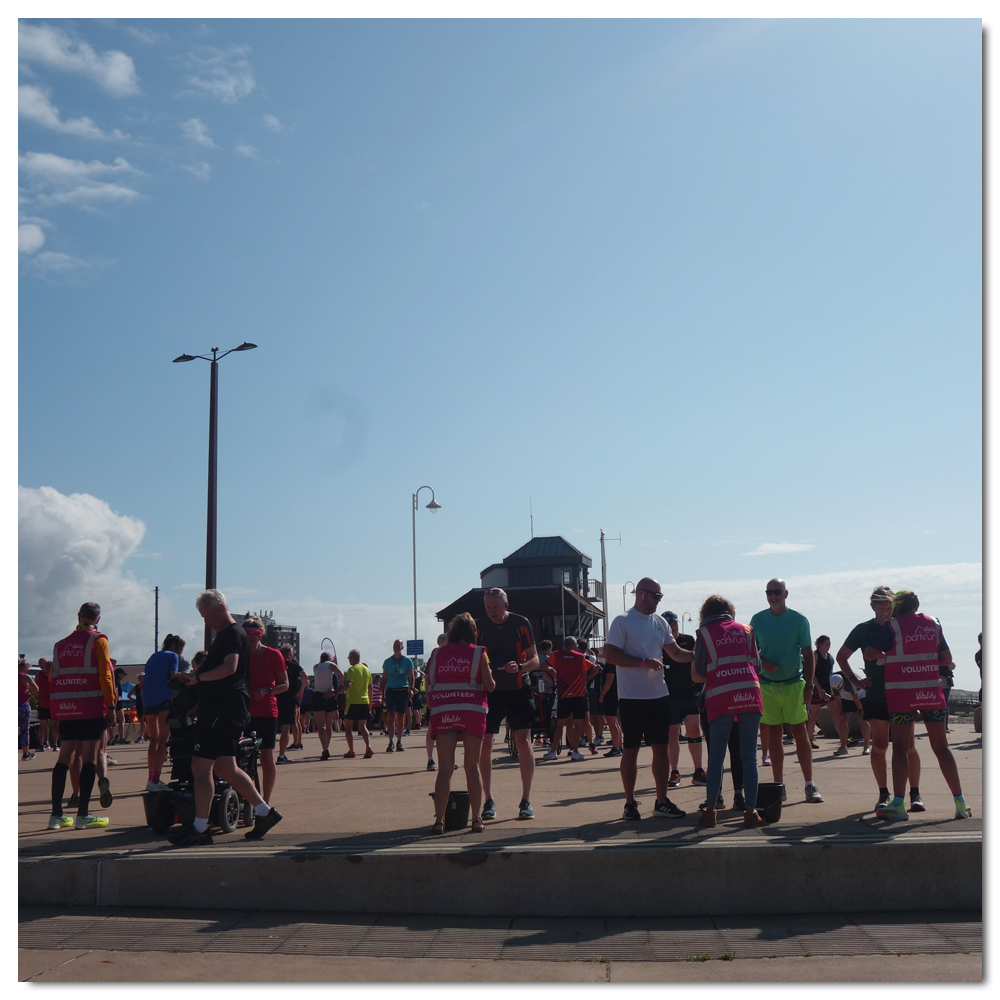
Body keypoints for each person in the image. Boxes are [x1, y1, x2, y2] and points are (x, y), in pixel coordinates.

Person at [168, 590, 282, 845]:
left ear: (220, 609)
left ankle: (199, 828)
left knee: (200, 766)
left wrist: (197, 678)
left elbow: (229, 668)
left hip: (223, 711)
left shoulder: (231, 634)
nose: (205, 621)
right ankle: (264, 812)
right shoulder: (228, 635)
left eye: (207, 616)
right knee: (225, 766)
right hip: (227, 709)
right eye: (202, 617)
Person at [863, 589, 970, 820]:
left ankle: (899, 805)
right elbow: (946, 659)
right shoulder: (934, 624)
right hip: (931, 692)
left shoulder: (894, 627)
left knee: (900, 748)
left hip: (902, 693)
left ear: (897, 606)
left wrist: (889, 657)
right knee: (942, 748)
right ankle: (960, 803)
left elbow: (870, 654)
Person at [604, 577, 695, 820]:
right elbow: (610, 654)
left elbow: (675, 653)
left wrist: (697, 655)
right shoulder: (623, 621)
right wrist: (642, 662)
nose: (658, 600)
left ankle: (662, 801)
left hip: (659, 695)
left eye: (660, 596)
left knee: (661, 749)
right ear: (641, 594)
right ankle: (630, 803)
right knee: (631, 750)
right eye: (656, 596)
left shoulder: (661, 623)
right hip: (632, 697)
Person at [836, 586, 922, 812]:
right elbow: (842, 656)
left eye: (889, 607)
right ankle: (884, 793)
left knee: (909, 746)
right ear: (872, 606)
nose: (885, 611)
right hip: (876, 694)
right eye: (881, 607)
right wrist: (854, 679)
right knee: (880, 745)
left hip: (902, 692)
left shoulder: (901, 627)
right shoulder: (864, 629)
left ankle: (914, 793)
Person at [692, 595, 766, 829]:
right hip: (749, 694)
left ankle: (710, 811)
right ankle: (751, 812)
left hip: (721, 696)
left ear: (705, 613)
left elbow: (699, 673)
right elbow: (758, 665)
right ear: (730, 611)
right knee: (749, 757)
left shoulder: (704, 634)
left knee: (716, 756)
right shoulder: (747, 630)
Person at [750, 579, 823, 804]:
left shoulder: (799, 620)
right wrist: (763, 663)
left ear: (785, 594)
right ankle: (778, 785)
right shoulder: (757, 620)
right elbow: (751, 653)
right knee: (773, 735)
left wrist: (809, 685)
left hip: (793, 684)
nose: (773, 596)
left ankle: (809, 784)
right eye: (769, 592)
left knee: (800, 732)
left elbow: (808, 654)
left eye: (777, 592)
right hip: (768, 685)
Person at [47, 602, 116, 830]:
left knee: (64, 758)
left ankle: (56, 815)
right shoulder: (98, 641)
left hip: (67, 708)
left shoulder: (60, 645)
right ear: (98, 619)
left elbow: (52, 678)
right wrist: (111, 705)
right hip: (91, 707)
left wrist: (56, 710)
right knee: (89, 758)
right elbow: (105, 675)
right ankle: (83, 815)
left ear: (78, 616)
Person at [427, 612, 497, 834]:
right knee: (472, 767)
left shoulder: (437, 654)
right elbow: (490, 685)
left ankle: (439, 821)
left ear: (452, 633)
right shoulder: (479, 653)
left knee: (445, 769)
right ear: (473, 634)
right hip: (472, 712)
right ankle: (476, 819)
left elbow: (429, 686)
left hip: (444, 711)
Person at [475, 589, 540, 822]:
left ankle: (526, 799)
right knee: (486, 744)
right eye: (488, 607)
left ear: (506, 605)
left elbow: (535, 659)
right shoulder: (479, 627)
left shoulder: (520, 623)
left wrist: (521, 666)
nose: (492, 612)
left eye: (496, 607)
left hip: (518, 689)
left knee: (523, 742)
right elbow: (472, 660)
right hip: (490, 692)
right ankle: (488, 799)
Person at [244, 616, 289, 803]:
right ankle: (247, 799)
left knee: (267, 758)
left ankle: (265, 801)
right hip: (244, 712)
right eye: (246, 639)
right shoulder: (240, 656)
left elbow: (284, 684)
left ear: (260, 636)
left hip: (267, 711)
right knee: (242, 758)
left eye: (253, 640)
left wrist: (268, 690)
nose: (250, 643)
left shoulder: (273, 655)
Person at [662, 611, 706, 788]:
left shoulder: (688, 640)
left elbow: (698, 659)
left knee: (694, 731)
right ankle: (674, 771)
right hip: (669, 695)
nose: (673, 629)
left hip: (690, 693)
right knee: (672, 734)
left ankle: (698, 771)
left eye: (674, 625)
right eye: (669, 626)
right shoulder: (661, 643)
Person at [541, 637, 593, 761]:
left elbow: (543, 667)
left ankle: (553, 750)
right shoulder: (580, 657)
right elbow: (584, 675)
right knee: (577, 723)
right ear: (575, 646)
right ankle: (575, 750)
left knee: (560, 724)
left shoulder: (556, 655)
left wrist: (551, 670)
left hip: (563, 693)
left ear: (564, 645)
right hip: (578, 693)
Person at [142, 635, 181, 792]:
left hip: (148, 699)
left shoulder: (153, 656)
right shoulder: (173, 656)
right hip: (163, 698)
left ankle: (150, 777)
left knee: (154, 738)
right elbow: (173, 679)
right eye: (180, 649)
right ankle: (155, 779)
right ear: (174, 646)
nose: (180, 653)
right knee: (164, 737)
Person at [382, 639, 415, 753]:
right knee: (391, 715)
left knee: (401, 716)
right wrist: (382, 694)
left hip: (403, 690)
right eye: (394, 645)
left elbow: (411, 677)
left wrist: (411, 689)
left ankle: (399, 740)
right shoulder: (387, 662)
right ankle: (391, 741)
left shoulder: (407, 661)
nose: (396, 647)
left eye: (398, 645)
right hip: (391, 691)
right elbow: (384, 678)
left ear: (402, 647)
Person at [276, 644, 307, 763]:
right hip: (288, 699)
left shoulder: (275, 664)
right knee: (285, 728)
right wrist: (301, 691)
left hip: (275, 697)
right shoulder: (293, 666)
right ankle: (281, 756)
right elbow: (304, 676)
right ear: (289, 655)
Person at [342, 649, 374, 759]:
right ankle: (368, 746)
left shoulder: (352, 669)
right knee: (362, 726)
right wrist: (370, 703)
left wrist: (336, 692)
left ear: (351, 658)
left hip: (353, 701)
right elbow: (370, 688)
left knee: (348, 727)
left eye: (348, 658)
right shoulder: (367, 670)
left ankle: (351, 750)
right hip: (365, 701)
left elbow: (349, 684)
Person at [311, 652, 342, 761]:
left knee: (321, 725)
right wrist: (337, 691)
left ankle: (324, 748)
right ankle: (327, 747)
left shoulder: (316, 667)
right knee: (328, 725)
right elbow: (341, 674)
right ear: (329, 659)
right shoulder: (331, 665)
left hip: (318, 695)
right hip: (330, 694)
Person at [806, 636, 835, 750]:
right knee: (814, 716)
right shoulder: (815, 655)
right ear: (820, 644)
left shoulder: (830, 657)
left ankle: (844, 738)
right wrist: (818, 688)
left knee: (836, 714)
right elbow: (812, 674)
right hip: (817, 689)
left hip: (828, 689)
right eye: (826, 644)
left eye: (829, 644)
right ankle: (810, 739)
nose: (828, 647)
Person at [426, 632, 448, 771]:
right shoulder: (434, 658)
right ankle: (430, 758)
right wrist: (429, 696)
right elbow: (427, 677)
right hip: (436, 697)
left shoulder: (453, 657)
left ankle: (446, 760)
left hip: (448, 697)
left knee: (447, 730)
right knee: (431, 728)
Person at [597, 651, 623, 758]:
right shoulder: (615, 664)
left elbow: (609, 680)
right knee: (615, 722)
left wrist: (602, 694)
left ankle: (616, 747)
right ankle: (619, 745)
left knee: (612, 722)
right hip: (615, 695)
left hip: (610, 696)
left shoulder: (611, 665)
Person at [18, 657, 39, 761]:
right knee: (24, 729)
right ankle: (25, 754)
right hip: (22, 705)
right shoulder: (25, 677)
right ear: (25, 667)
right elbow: (36, 689)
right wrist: (28, 692)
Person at [35, 658, 55, 750]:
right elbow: (35, 688)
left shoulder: (53, 674)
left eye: (43, 663)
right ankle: (41, 744)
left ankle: (54, 744)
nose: (41, 665)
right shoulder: (38, 675)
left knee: (55, 724)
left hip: (53, 703)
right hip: (43, 703)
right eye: (40, 663)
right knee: (43, 725)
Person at [109, 667, 131, 746]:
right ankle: (122, 737)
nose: (123, 676)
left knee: (112, 721)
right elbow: (115, 690)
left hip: (111, 701)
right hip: (117, 702)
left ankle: (111, 738)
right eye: (123, 675)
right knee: (122, 720)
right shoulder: (116, 679)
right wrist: (116, 699)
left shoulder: (111, 678)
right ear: (119, 674)